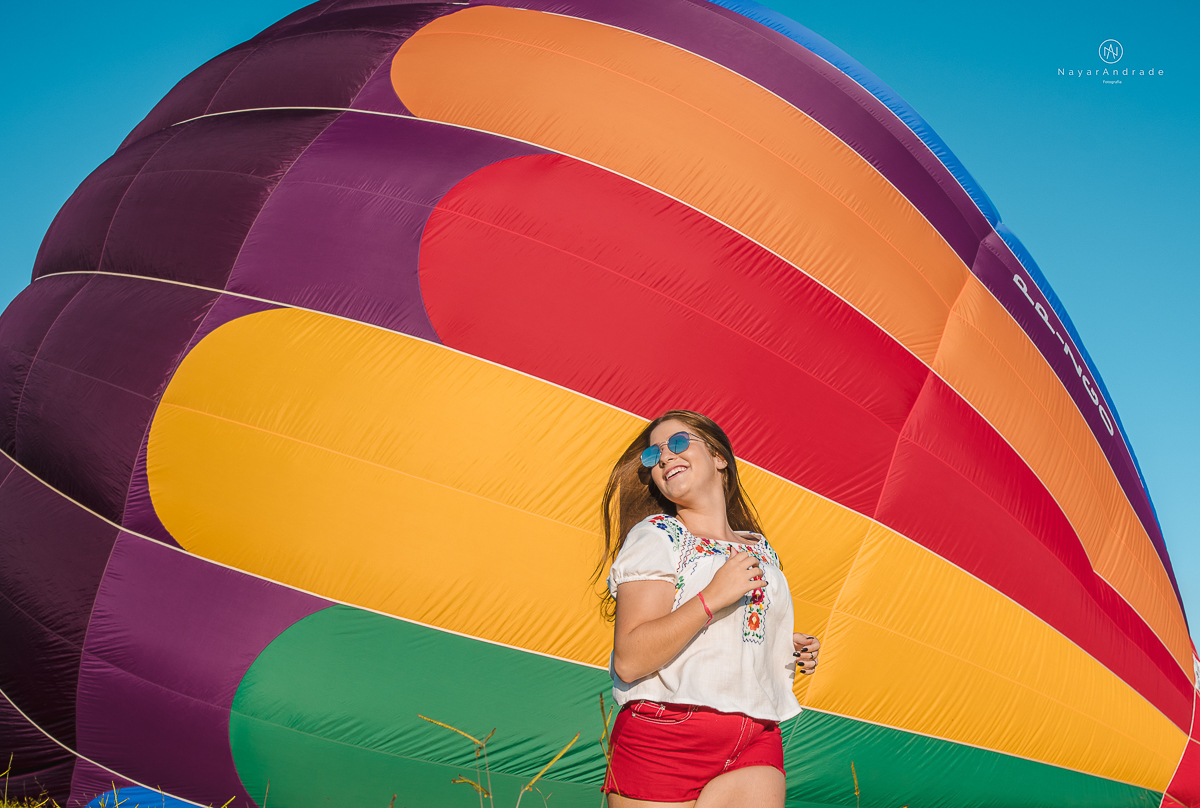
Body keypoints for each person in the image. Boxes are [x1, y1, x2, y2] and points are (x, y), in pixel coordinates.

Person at [597, 410, 820, 807]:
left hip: (755, 733)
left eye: (679, 443)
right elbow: (630, 660)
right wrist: (712, 597)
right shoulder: (657, 537)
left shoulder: (761, 549)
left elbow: (728, 642)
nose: (664, 457)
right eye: (653, 455)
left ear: (719, 457)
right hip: (668, 734)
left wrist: (783, 646)